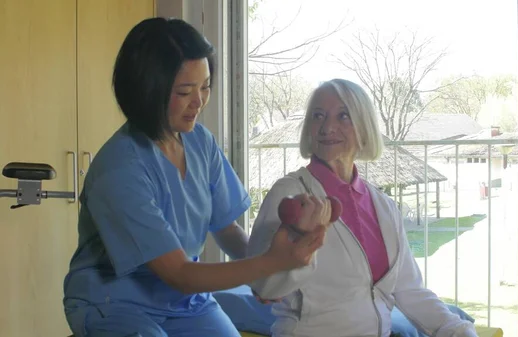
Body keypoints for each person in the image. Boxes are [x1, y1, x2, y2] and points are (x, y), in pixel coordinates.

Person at [62, 17, 331, 337]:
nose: (200, 101)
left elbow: (227, 231)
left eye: (205, 86)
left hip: (185, 301)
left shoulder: (199, 141)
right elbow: (179, 273)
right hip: (113, 303)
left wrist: (272, 273)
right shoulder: (120, 170)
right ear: (148, 92)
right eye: (185, 91)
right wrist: (270, 262)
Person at [247, 79, 479, 337]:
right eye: (318, 116)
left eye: (343, 116)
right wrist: (301, 243)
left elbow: (409, 290)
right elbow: (264, 287)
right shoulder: (290, 193)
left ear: (365, 129)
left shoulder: (384, 205)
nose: (327, 127)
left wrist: (458, 329)